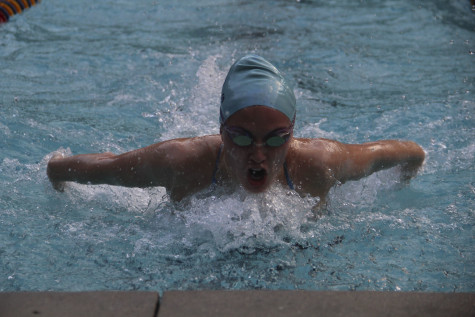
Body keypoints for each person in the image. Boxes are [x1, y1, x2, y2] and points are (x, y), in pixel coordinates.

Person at [47, 55, 425, 203]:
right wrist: (57, 171)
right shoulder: (181, 162)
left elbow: (408, 153)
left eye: (276, 138)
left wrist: (406, 182)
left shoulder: (320, 163)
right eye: (242, 137)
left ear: (293, 132)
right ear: (222, 131)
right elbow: (104, 168)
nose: (258, 154)